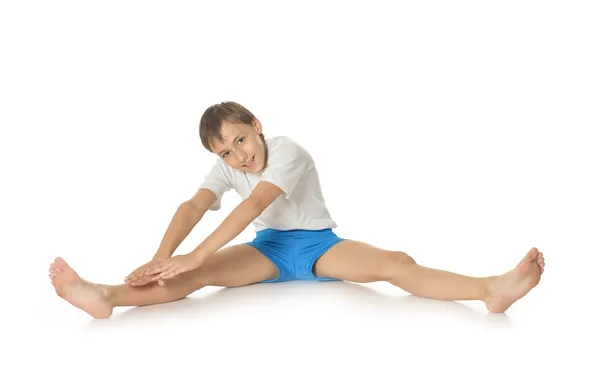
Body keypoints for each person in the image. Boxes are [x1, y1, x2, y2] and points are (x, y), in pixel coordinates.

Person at [48, 101, 545, 319]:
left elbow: (258, 203)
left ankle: (490, 290)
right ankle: (105, 296)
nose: (239, 156)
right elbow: (191, 206)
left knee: (397, 264)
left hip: (318, 245)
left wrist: (197, 256)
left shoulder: (288, 151)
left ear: (257, 125)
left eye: (241, 140)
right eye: (226, 152)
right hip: (268, 250)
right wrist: (163, 256)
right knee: (187, 282)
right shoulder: (226, 169)